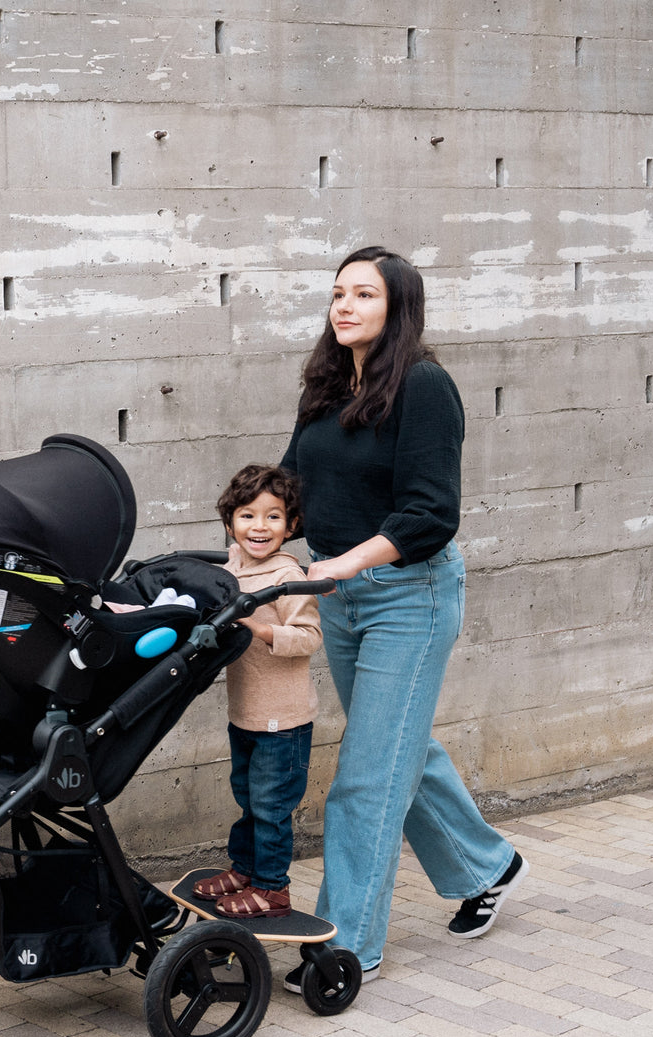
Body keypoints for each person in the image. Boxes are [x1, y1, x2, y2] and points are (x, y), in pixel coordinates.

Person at [278, 245, 528, 987]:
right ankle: (488, 864)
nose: (345, 306)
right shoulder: (325, 386)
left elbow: (430, 514)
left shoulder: (424, 386)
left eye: (364, 295)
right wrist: (250, 545)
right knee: (397, 752)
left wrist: (345, 563)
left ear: (398, 308)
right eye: (337, 294)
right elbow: (294, 484)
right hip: (343, 596)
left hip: (406, 597)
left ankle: (344, 944)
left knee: (366, 775)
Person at [192, 464, 322, 917]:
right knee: (247, 799)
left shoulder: (288, 579)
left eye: (273, 516)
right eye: (248, 516)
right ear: (231, 523)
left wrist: (257, 627)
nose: (259, 527)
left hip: (282, 721)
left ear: (291, 526)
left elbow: (308, 637)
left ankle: (272, 889)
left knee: (270, 808)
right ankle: (244, 870)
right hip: (244, 712)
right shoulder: (234, 567)